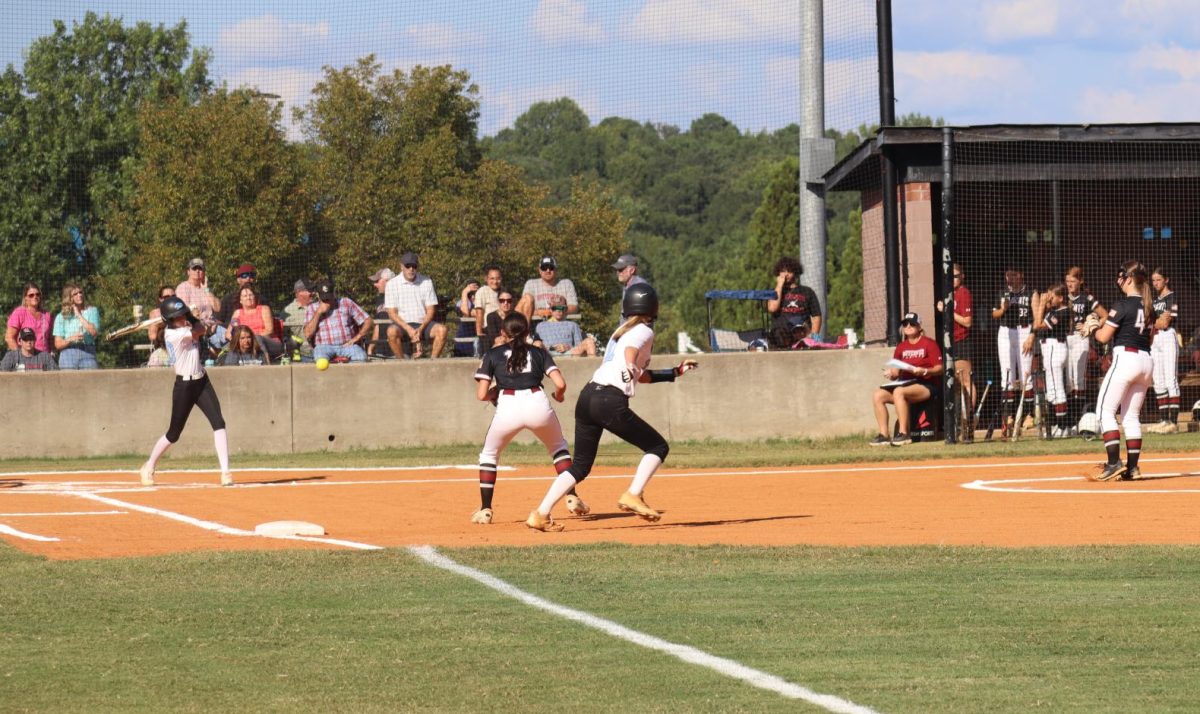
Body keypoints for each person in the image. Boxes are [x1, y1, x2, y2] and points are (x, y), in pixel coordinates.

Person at [526, 284, 699, 532]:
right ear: (652, 308)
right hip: (608, 400)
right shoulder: (644, 330)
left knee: (580, 467)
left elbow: (642, 375)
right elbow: (630, 355)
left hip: (588, 397)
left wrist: (674, 372)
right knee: (658, 446)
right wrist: (629, 366)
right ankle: (634, 494)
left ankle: (540, 514)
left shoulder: (621, 330)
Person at [471, 312, 587, 524]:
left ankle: (486, 510)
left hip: (508, 404)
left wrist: (493, 394)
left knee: (489, 455)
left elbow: (481, 395)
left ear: (503, 333)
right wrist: (558, 396)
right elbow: (560, 384)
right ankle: (571, 496)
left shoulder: (493, 353)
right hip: (537, 401)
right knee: (558, 449)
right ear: (527, 332)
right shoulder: (538, 352)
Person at [137, 297, 233, 487]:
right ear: (170, 321)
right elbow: (200, 330)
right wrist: (190, 316)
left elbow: (200, 329)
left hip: (202, 381)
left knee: (218, 422)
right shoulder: (174, 334)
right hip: (184, 386)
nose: (182, 319)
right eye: (178, 317)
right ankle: (149, 466)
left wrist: (187, 314)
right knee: (174, 434)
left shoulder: (182, 327)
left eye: (183, 316)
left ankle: (226, 472)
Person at [1091, 261, 1155, 481]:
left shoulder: (1122, 304)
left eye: (1121, 277)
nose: (1119, 281)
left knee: (1104, 411)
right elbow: (1151, 338)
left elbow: (1103, 337)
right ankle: (1133, 468)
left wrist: (1093, 327)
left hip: (1126, 358)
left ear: (1129, 279)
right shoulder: (1149, 306)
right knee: (1130, 416)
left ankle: (1113, 462)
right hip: (1146, 361)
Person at [870, 312, 943, 446]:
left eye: (912, 324)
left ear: (919, 327)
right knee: (878, 395)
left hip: (926, 384)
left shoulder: (929, 343)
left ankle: (904, 434)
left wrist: (925, 371)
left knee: (899, 391)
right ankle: (884, 435)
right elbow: (896, 372)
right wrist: (891, 374)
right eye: (905, 324)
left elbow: (940, 368)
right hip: (905, 385)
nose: (908, 326)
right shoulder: (901, 347)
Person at [992, 267, 1036, 437]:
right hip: (1005, 332)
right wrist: (1004, 308)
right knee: (1007, 374)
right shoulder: (1003, 293)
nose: (1009, 278)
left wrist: (1032, 335)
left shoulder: (1030, 292)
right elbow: (994, 314)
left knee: (1026, 373)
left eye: (1013, 274)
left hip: (1024, 330)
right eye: (1007, 275)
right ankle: (1008, 416)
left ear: (1021, 275)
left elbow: (1036, 314)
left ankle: (1029, 414)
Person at [1024, 284, 1071, 437]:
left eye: (1052, 296)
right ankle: (1058, 425)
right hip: (1052, 348)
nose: (1049, 298)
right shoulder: (1055, 311)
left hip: (1054, 348)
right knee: (1052, 388)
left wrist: (1042, 304)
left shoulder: (1061, 312)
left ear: (1061, 298)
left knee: (1057, 388)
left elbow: (1037, 325)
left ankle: (1062, 427)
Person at [385, 252, 448, 358]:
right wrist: (409, 329)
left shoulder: (427, 281)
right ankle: (401, 363)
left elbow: (431, 310)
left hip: (424, 324)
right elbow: (391, 313)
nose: (411, 269)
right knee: (391, 332)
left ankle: (433, 363)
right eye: (407, 266)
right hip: (402, 326)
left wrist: (421, 328)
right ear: (401, 266)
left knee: (442, 330)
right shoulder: (392, 284)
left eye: (414, 266)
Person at [1065, 267, 1106, 427]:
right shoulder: (1063, 296)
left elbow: (1105, 315)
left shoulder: (1086, 298)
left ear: (1080, 281)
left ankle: (1078, 418)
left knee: (1078, 379)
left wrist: (1090, 325)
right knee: (1068, 380)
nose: (1069, 284)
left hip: (1080, 338)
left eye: (1073, 281)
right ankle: (1069, 419)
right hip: (1065, 339)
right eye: (1067, 281)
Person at [937, 264, 974, 437]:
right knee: (956, 385)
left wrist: (947, 310)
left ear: (962, 277)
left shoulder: (963, 293)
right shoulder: (948, 294)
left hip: (961, 341)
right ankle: (960, 423)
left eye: (956, 276)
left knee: (965, 381)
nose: (952, 280)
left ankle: (969, 422)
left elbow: (967, 322)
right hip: (949, 342)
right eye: (950, 276)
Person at [304, 280, 373, 363]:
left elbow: (368, 320)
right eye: (324, 298)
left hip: (347, 345)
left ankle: (351, 376)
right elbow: (307, 334)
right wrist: (318, 313)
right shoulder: (312, 308)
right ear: (318, 295)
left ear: (334, 293)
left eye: (329, 297)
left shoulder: (346, 302)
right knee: (320, 359)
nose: (327, 301)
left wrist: (357, 338)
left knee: (361, 357)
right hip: (323, 346)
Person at [1147, 267, 1180, 434]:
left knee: (1170, 379)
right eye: (1153, 280)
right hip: (1155, 339)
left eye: (1158, 279)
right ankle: (1164, 420)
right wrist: (1156, 321)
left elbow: (1166, 323)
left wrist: (1156, 322)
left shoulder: (1171, 297)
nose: (1155, 283)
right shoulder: (1154, 301)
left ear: (1166, 280)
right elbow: (1152, 322)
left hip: (1168, 337)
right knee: (1158, 380)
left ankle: (1173, 422)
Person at [767, 257, 823, 345]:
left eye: (789, 271)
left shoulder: (807, 291)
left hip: (802, 335)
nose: (785, 274)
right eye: (783, 271)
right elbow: (772, 308)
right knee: (779, 334)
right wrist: (779, 285)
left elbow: (816, 316)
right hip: (780, 338)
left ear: (795, 273)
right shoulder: (774, 291)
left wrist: (814, 338)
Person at [174, 257, 222, 350]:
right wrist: (203, 325)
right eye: (194, 268)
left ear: (204, 272)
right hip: (197, 328)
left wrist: (206, 289)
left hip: (213, 328)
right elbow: (185, 311)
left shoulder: (206, 289)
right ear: (188, 271)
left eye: (200, 269)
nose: (197, 271)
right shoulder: (183, 287)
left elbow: (217, 308)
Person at [52, 283, 100, 369]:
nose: (79, 295)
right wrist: (71, 338)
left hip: (88, 352)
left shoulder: (92, 310)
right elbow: (58, 344)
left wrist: (78, 314)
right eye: (75, 294)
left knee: (91, 381)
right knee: (69, 382)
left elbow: (94, 332)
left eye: (80, 292)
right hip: (68, 354)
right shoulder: (61, 317)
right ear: (69, 298)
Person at [517, 255, 579, 323]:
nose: (548, 270)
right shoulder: (531, 284)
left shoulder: (566, 283)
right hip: (535, 324)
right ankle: (524, 332)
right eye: (544, 268)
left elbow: (574, 307)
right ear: (539, 270)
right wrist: (538, 312)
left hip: (560, 323)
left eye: (551, 267)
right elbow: (523, 308)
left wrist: (552, 311)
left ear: (556, 270)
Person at [229, 286, 282, 362]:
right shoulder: (237, 313)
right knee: (233, 345)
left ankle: (266, 364)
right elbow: (228, 333)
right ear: (240, 300)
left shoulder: (264, 309)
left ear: (255, 297)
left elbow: (269, 330)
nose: (248, 298)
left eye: (251, 295)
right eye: (245, 296)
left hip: (270, 342)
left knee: (257, 338)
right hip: (246, 343)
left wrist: (252, 338)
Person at [5, 283, 52, 353]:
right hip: (26, 360)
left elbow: (50, 339)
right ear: (25, 298)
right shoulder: (19, 312)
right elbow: (9, 338)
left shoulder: (47, 315)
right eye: (31, 295)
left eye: (37, 294)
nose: (35, 297)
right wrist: (20, 357)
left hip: (44, 359)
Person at [473, 265, 504, 354]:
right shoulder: (482, 291)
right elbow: (479, 312)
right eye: (492, 278)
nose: (495, 281)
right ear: (486, 279)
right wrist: (479, 332)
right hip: (490, 328)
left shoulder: (504, 290)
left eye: (498, 278)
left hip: (504, 325)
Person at [280, 279, 314, 359]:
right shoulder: (288, 312)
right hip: (301, 355)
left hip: (322, 351)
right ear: (299, 293)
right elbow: (283, 336)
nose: (313, 293)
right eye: (310, 290)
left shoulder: (319, 306)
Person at [367, 267, 397, 358]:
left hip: (398, 349)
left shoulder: (400, 297)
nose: (375, 285)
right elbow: (378, 325)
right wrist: (371, 347)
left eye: (377, 281)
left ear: (388, 281)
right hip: (381, 349)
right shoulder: (379, 299)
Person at [454, 279, 480, 357]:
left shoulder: (483, 301)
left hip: (479, 338)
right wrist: (464, 293)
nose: (473, 296)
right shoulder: (461, 302)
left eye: (475, 293)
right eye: (470, 293)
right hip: (463, 339)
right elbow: (465, 313)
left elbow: (477, 312)